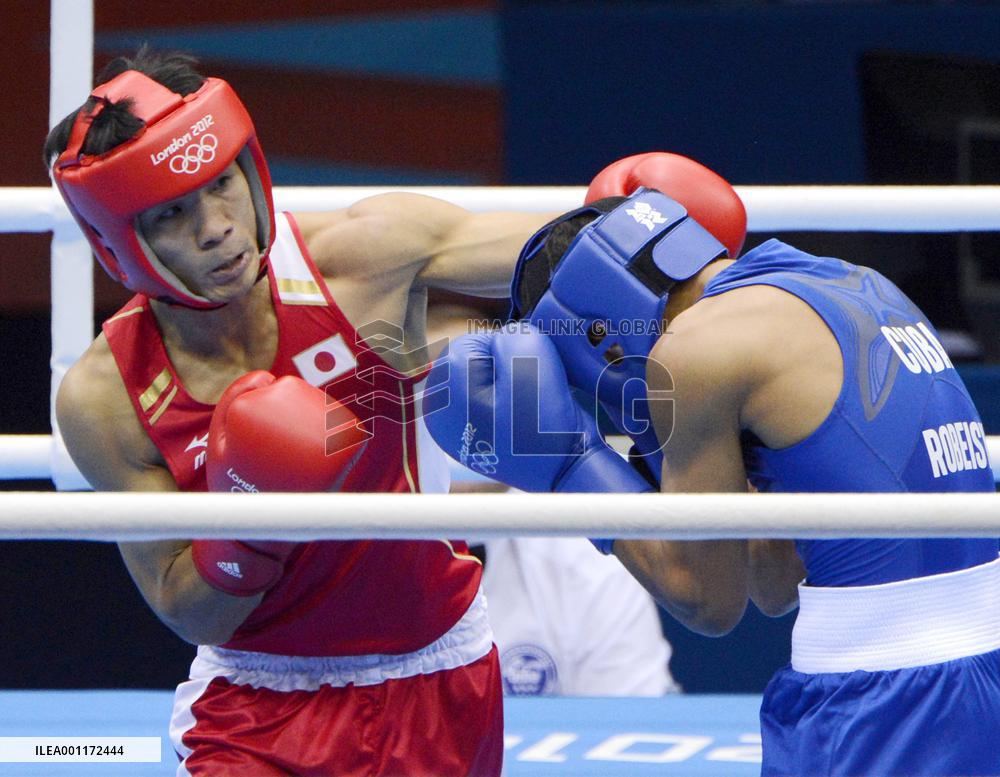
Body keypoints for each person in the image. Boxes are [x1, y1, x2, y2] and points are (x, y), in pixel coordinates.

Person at [45, 48, 554, 777]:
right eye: (173, 213)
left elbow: (569, 253)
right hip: (255, 705)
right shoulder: (107, 396)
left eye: (221, 185)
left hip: (439, 675)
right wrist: (254, 523)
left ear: (250, 170)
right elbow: (186, 609)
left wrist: (652, 227)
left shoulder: (360, 257)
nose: (216, 228)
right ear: (120, 240)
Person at [426, 152, 1000, 776]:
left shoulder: (694, 352)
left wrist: (569, 464)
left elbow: (709, 603)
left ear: (598, 336)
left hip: (885, 694)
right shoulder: (849, 281)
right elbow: (775, 584)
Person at [427, 301, 678, 697]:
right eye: (436, 396)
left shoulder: (583, 550)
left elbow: (632, 715)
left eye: (485, 384)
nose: (467, 420)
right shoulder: (342, 548)